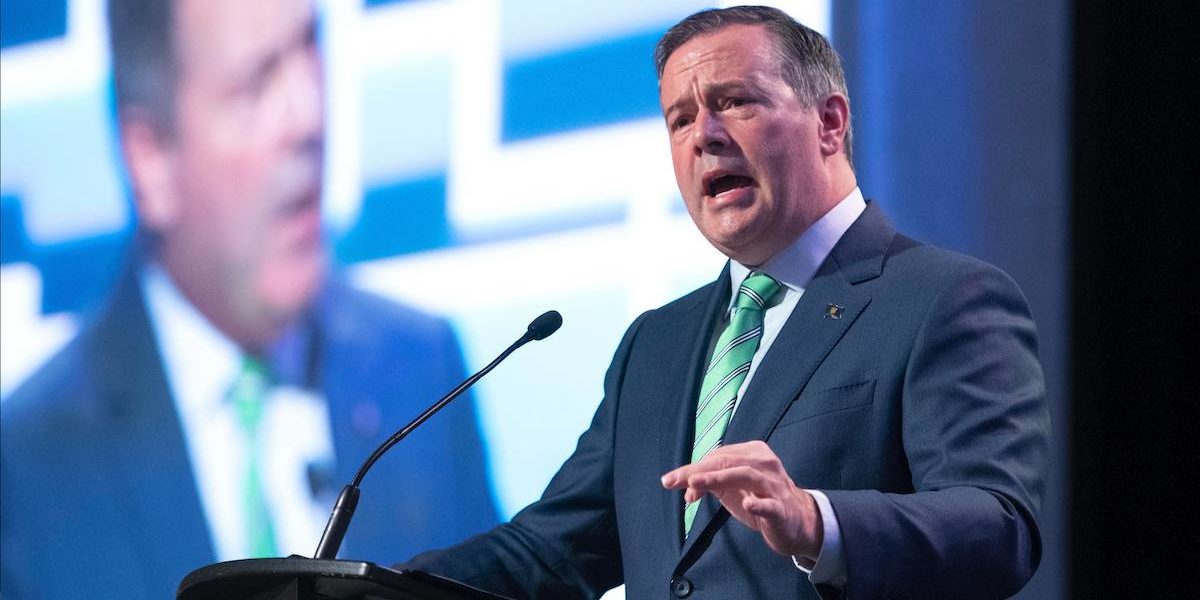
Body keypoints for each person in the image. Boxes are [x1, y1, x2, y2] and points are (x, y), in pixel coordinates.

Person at [405, 6, 1049, 600]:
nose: (702, 136)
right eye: (679, 119)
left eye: (733, 102)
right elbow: (554, 551)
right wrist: (366, 587)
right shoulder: (657, 342)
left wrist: (815, 520)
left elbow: (998, 529)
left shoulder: (941, 298)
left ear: (830, 122)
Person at [0, 1, 498, 598]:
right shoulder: (29, 469)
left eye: (309, 48)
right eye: (256, 84)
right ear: (151, 158)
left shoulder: (421, 372)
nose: (308, 115)